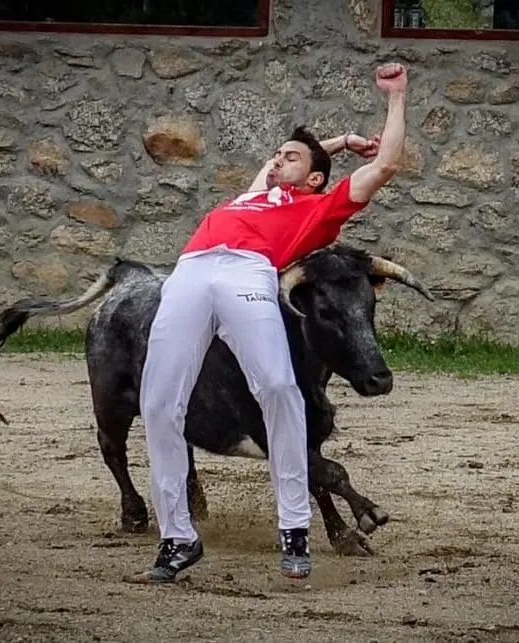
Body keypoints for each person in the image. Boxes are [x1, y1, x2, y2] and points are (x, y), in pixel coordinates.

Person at [133, 62, 409, 583]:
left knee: (279, 387)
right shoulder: (256, 192)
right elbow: (289, 156)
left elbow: (387, 164)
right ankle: (176, 538)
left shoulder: (320, 209)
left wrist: (395, 97)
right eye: (277, 155)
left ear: (314, 178)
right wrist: (341, 140)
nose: (276, 161)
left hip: (248, 271)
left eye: (290, 158)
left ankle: (294, 529)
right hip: (189, 269)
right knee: (157, 403)